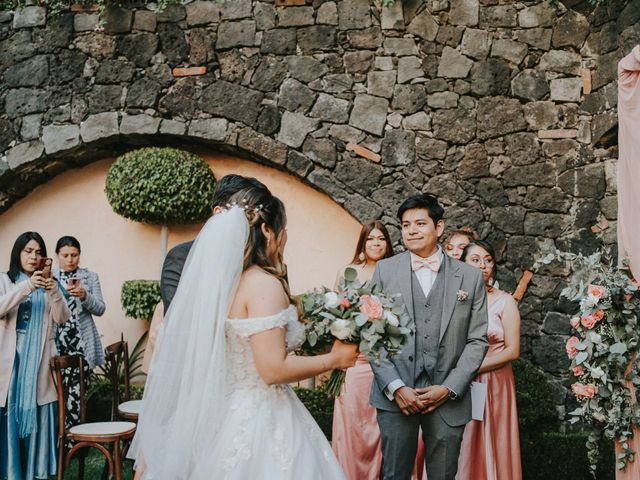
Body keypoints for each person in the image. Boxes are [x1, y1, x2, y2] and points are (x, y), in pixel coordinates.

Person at [131, 186, 358, 479]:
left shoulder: (224, 282)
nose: (285, 236)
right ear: (267, 230)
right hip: (259, 416)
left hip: (223, 408)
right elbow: (272, 370)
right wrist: (335, 359)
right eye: (283, 229)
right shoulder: (263, 284)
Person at [370, 194, 489, 480]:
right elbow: (371, 335)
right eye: (405, 224)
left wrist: (448, 388)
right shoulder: (385, 271)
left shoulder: (469, 277)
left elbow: (477, 340)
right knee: (394, 474)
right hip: (396, 396)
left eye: (420, 223)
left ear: (439, 227)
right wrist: (396, 387)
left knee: (444, 475)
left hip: (448, 398)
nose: (411, 230)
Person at [0, 232, 70, 479]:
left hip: (39, 366)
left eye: (38, 252)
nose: (33, 256)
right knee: (9, 420)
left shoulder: (50, 283)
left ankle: (33, 473)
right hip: (10, 366)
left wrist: (54, 292)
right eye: (28, 251)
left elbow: (62, 318)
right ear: (18, 253)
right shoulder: (5, 280)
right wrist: (28, 286)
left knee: (38, 415)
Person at [331, 221, 393, 480]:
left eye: (381, 239)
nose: (376, 243)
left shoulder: (395, 272)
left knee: (379, 425)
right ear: (362, 243)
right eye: (371, 239)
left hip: (385, 356)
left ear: (388, 244)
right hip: (354, 357)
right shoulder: (348, 271)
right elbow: (335, 314)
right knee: (352, 421)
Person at [456, 240, 522, 480]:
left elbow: (513, 350)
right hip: (458, 382)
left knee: (493, 438)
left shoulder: (506, 301)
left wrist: (472, 368)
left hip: (495, 381)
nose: (482, 265)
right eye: (475, 260)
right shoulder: (455, 300)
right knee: (463, 440)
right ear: (462, 264)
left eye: (488, 260)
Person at [159, 174, 270, 312]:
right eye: (250, 215)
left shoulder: (263, 258)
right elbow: (176, 318)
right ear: (219, 212)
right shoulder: (181, 256)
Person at [52, 235, 106, 430]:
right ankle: (59, 436)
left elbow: (100, 308)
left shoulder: (90, 277)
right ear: (57, 255)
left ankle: (75, 437)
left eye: (74, 255)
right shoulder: (50, 277)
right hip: (56, 344)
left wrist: (85, 296)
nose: (69, 260)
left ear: (79, 255)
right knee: (56, 393)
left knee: (78, 394)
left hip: (81, 346)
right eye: (65, 255)